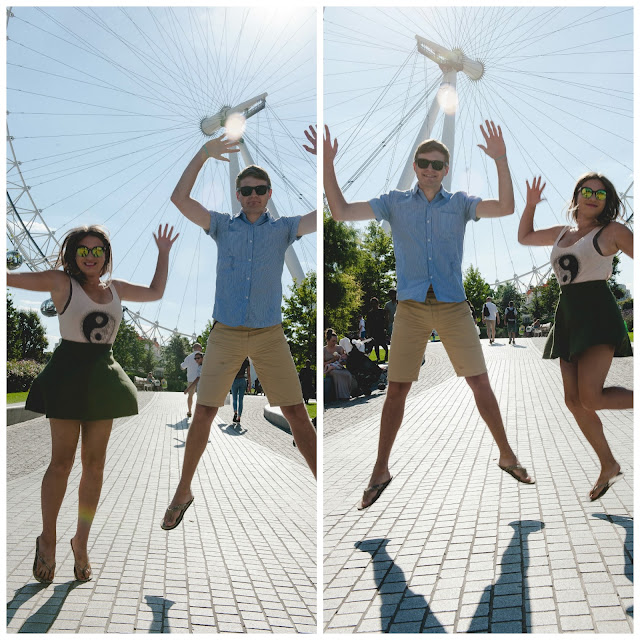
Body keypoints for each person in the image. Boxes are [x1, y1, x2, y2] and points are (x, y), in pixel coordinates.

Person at [324, 121, 534, 510]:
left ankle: (507, 455)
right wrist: (327, 166)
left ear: (446, 169)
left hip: (454, 305)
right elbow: (339, 211)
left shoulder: (460, 204)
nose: (429, 169)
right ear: (416, 164)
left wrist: (501, 159)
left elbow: (506, 206)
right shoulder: (394, 202)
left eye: (437, 164)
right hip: (412, 308)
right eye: (423, 162)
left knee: (480, 383)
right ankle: (380, 469)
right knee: (396, 390)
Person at [162, 128, 318, 530]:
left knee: (299, 415)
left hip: (269, 334)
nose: (253, 195)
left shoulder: (283, 229)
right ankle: (183, 490)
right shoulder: (221, 227)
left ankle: (325, 490)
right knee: (204, 414)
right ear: (237, 194)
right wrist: (201, 153)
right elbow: (179, 200)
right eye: (246, 189)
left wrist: (323, 162)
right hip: (226, 333)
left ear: (269, 193)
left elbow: (328, 210)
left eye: (260, 189)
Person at [7, 223, 178, 583]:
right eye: (83, 250)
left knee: (95, 465)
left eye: (97, 249)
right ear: (73, 254)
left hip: (102, 375)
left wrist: (163, 252)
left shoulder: (115, 288)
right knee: (61, 462)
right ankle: (48, 538)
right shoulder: (60, 282)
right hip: (68, 374)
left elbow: (156, 291)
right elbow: (9, 277)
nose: (90, 255)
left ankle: (80, 542)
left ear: (106, 255)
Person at [518, 173, 633, 500]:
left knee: (592, 397)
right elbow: (525, 236)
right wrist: (529, 205)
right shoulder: (561, 233)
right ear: (576, 196)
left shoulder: (612, 231)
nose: (593, 197)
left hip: (597, 313)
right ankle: (608, 465)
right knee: (573, 401)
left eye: (601, 193)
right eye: (587, 191)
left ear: (607, 201)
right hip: (568, 316)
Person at [324, 329, 352, 401]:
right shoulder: (324, 350)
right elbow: (322, 364)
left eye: (335, 341)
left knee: (348, 374)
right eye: (333, 341)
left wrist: (343, 360)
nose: (334, 343)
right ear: (327, 340)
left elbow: (345, 360)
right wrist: (333, 360)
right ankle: (340, 396)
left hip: (339, 367)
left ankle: (347, 393)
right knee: (337, 374)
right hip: (330, 369)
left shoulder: (339, 348)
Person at [181, 342, 203, 417]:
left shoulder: (189, 357)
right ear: (199, 348)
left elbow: (182, 367)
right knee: (200, 397)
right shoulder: (203, 356)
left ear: (193, 348)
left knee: (190, 396)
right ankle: (199, 412)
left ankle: (189, 411)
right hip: (202, 380)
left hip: (191, 379)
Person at [231, 357, 251, 426]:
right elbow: (248, 374)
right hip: (243, 380)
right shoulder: (246, 361)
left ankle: (235, 412)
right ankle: (239, 417)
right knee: (240, 400)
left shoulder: (235, 359)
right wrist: (249, 385)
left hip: (235, 380)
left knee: (234, 398)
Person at [367, 297, 388, 362]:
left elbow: (386, 319)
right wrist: (369, 333)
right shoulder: (370, 313)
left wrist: (385, 328)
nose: (374, 305)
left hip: (381, 330)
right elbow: (368, 324)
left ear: (378, 304)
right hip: (374, 331)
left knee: (384, 345)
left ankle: (386, 357)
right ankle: (378, 358)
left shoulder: (382, 311)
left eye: (375, 303)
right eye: (372, 304)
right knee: (376, 346)